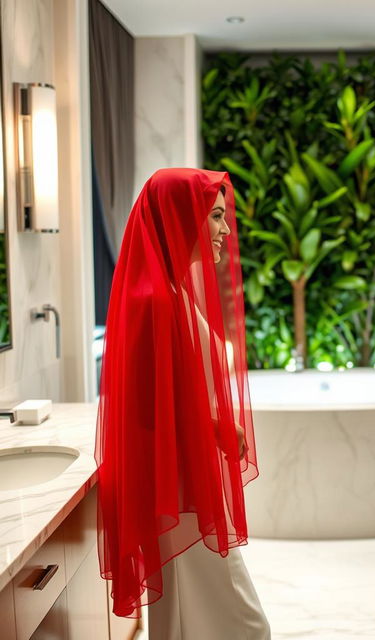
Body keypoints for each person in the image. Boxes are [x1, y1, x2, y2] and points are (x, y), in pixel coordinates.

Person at [95, 168, 270, 639]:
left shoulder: (168, 290)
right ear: (181, 216)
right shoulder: (154, 298)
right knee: (246, 626)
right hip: (182, 490)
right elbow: (146, 409)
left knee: (185, 622)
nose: (225, 230)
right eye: (215, 216)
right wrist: (214, 426)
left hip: (186, 481)